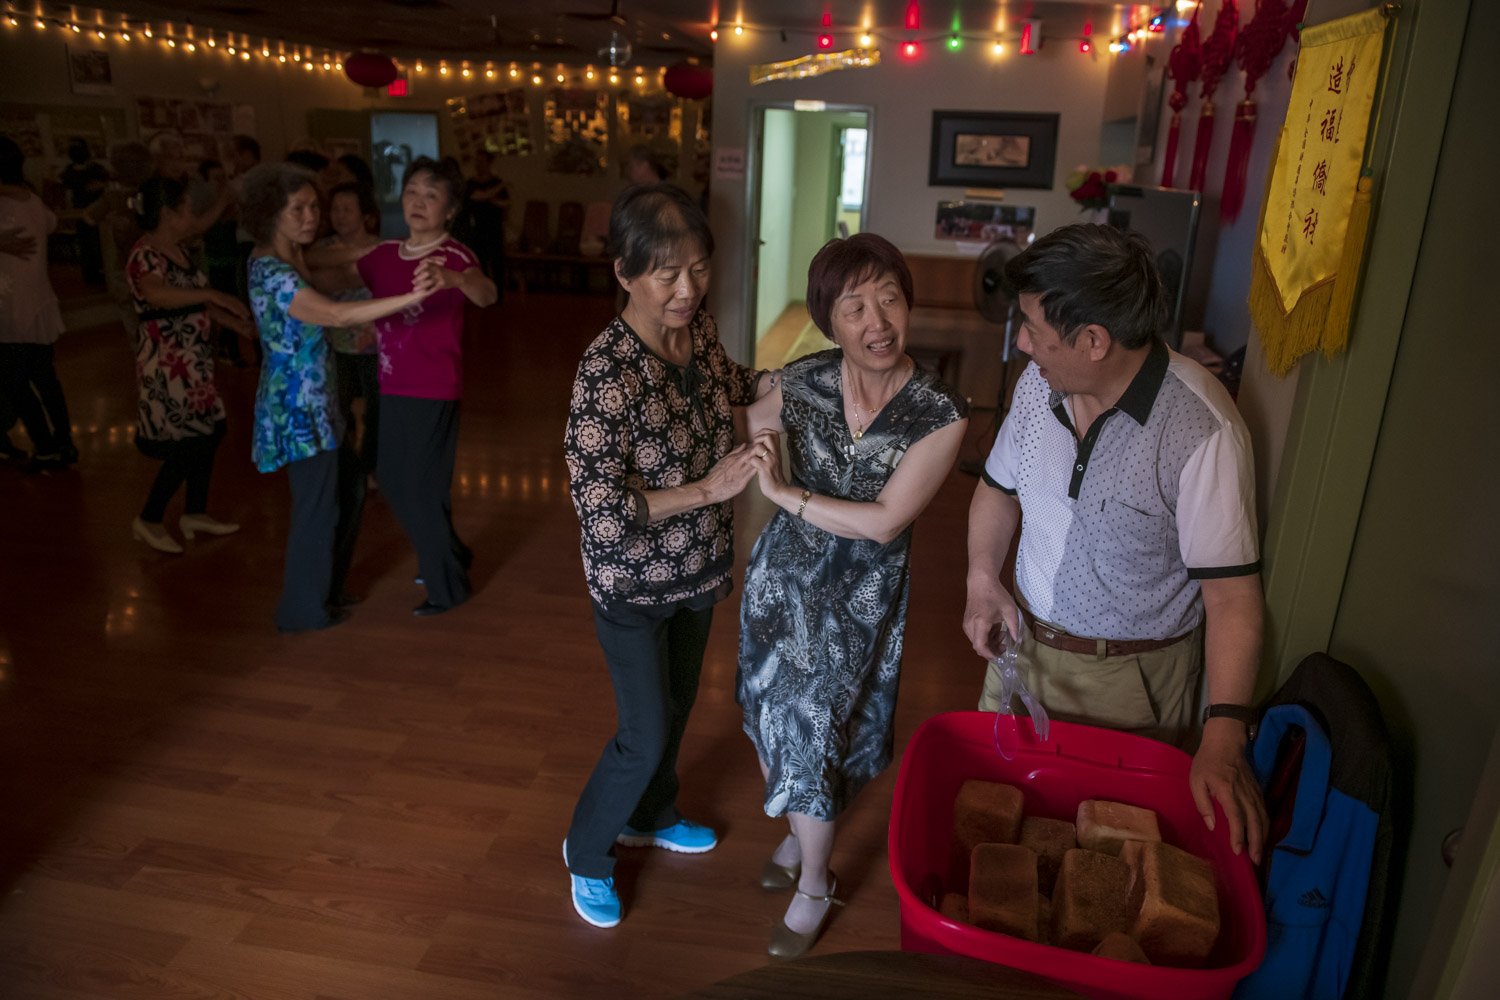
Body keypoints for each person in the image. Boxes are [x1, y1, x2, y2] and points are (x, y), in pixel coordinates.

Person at [961, 223, 1268, 863]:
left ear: (1094, 340)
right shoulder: (1038, 388)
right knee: (997, 829)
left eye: (1033, 328)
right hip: (1021, 655)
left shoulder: (1200, 431)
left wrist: (1224, 734)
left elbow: (1233, 599)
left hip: (1131, 682)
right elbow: (997, 490)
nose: (1021, 344)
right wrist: (983, 578)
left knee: (1105, 858)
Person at [738, 234, 968, 957]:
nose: (877, 321)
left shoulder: (940, 412)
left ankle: (814, 880)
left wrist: (784, 493)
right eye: (855, 306)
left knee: (819, 726)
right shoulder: (799, 380)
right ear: (827, 320)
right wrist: (753, 431)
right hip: (781, 588)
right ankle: (799, 836)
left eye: (890, 300)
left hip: (858, 601)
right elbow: (745, 427)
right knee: (778, 717)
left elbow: (887, 522)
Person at [561, 183, 777, 930]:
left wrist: (809, 378)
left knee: (679, 706)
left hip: (698, 567)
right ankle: (587, 850)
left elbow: (735, 388)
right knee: (643, 728)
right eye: (667, 274)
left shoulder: (700, 335)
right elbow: (602, 512)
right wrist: (706, 487)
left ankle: (651, 814)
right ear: (624, 273)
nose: (688, 290)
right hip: (631, 583)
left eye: (699, 269)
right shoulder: (604, 375)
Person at [239, 162, 436, 633]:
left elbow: (350, 257)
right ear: (271, 215)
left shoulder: (293, 258)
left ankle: (326, 590)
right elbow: (336, 315)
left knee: (347, 491)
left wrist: (412, 249)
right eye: (299, 209)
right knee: (317, 506)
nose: (312, 217)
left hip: (317, 400)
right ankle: (301, 610)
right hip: (297, 408)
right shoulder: (273, 272)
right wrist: (410, 297)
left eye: (314, 207)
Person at [356, 156, 497, 617]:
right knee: (392, 480)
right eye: (413, 192)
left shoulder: (455, 257)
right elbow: (338, 275)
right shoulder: (383, 255)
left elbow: (486, 293)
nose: (419, 202)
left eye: (431, 196)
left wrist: (453, 279)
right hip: (389, 382)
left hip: (433, 387)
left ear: (449, 210)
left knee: (421, 488)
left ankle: (447, 585)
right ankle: (451, 553)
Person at [124, 174, 254, 553]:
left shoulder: (178, 251)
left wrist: (237, 324)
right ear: (168, 212)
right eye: (186, 209)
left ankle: (195, 512)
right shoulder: (145, 254)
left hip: (192, 361)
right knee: (188, 442)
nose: (192, 216)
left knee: (208, 433)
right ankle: (149, 518)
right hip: (167, 364)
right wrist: (213, 291)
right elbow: (158, 295)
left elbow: (196, 304)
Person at [0, 135, 77, 474]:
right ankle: (64, 444)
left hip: (9, 307)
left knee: (17, 384)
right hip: (37, 303)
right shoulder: (31, 200)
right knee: (46, 380)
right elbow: (51, 223)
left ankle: (46, 448)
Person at [314, 181, 383, 485]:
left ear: (365, 215)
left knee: (377, 410)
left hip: (373, 344)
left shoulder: (380, 248)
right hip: (334, 343)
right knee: (337, 410)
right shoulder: (322, 249)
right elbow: (323, 283)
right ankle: (345, 467)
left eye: (347, 209)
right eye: (335, 209)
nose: (339, 215)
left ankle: (368, 467)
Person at [60, 137, 108, 285]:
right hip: (81, 212)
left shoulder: (96, 168)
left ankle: (101, 276)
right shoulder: (69, 171)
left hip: (98, 213)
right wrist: (70, 213)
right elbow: (68, 194)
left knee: (99, 245)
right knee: (86, 245)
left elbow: (107, 187)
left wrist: (101, 186)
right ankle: (91, 276)